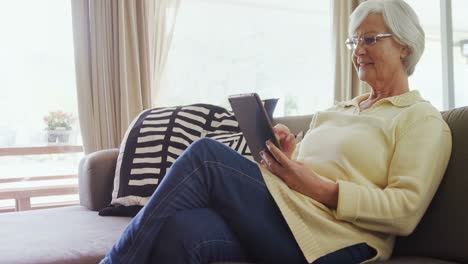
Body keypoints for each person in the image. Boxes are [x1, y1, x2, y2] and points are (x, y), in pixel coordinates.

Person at [100, 0, 452, 263]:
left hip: (337, 240)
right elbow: (305, 175)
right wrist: (287, 158)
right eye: (352, 42)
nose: (358, 51)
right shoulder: (336, 110)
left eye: (370, 39)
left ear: (405, 45)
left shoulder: (420, 119)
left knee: (204, 157)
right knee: (185, 232)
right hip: (289, 217)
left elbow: (404, 211)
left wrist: (319, 188)